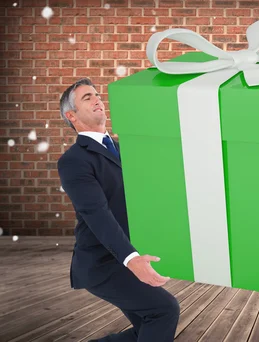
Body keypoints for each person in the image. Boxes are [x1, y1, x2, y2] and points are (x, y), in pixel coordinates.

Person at [57, 78, 180, 342]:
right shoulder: (73, 161)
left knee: (148, 327)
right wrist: (131, 259)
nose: (97, 99)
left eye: (97, 94)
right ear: (72, 116)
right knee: (164, 310)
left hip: (126, 253)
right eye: (87, 98)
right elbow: (96, 214)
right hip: (102, 263)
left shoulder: (126, 149)